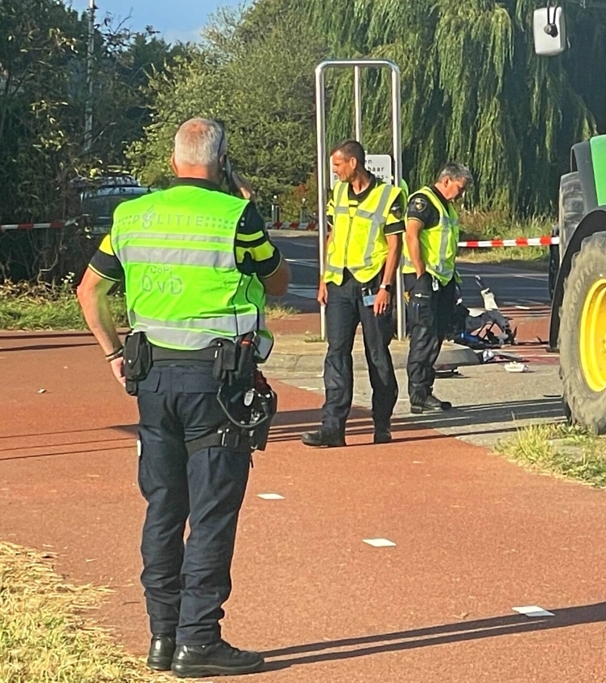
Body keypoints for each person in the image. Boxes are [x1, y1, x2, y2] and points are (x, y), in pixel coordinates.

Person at [76, 117, 291, 678]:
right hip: (217, 384)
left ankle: (161, 637)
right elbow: (278, 281)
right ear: (220, 162)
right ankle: (199, 641)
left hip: (151, 381)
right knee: (213, 512)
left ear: (173, 162)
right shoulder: (234, 215)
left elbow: (89, 289)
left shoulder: (131, 215)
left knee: (164, 508)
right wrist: (245, 207)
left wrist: (112, 352)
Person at [301, 140, 405, 448]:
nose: (334, 171)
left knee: (377, 355)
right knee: (336, 355)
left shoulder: (389, 196)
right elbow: (332, 235)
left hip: (373, 285)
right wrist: (323, 278)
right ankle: (332, 427)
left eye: (337, 165)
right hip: (340, 284)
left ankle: (382, 422)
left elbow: (395, 245)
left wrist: (386, 286)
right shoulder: (338, 193)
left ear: (353, 164)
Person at [401, 162, 473, 413]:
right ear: (446, 181)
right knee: (424, 335)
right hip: (423, 278)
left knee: (437, 334)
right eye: (459, 188)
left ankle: (425, 389)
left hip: (442, 280)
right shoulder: (424, 201)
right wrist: (421, 273)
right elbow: (411, 235)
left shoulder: (447, 207)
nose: (461, 194)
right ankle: (418, 394)